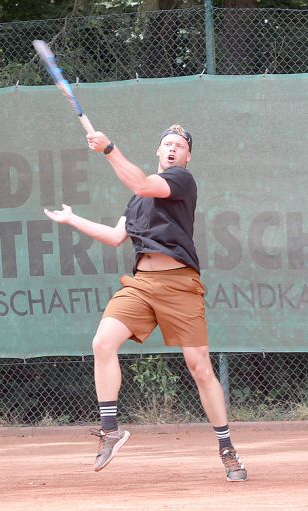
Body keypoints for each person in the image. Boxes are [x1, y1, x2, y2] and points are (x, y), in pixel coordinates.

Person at [43, 124, 248, 482]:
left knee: (199, 367)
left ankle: (226, 448)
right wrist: (72, 218)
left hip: (180, 284)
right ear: (157, 151)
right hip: (141, 284)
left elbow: (139, 182)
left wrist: (109, 149)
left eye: (179, 146)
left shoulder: (182, 181)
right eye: (166, 144)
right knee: (102, 343)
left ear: (186, 156)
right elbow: (115, 237)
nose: (172, 149)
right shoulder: (137, 199)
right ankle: (110, 430)